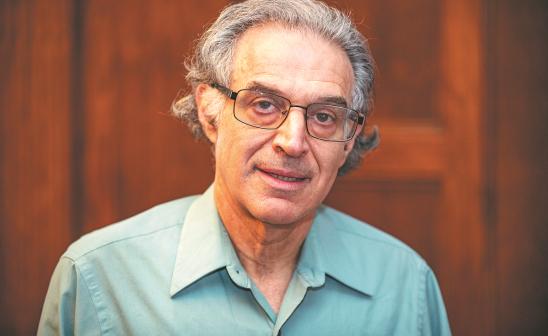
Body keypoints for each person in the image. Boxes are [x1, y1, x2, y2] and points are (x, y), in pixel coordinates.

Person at [38, 0, 451, 335]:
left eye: (324, 116)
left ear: (347, 142)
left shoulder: (405, 286)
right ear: (210, 111)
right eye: (265, 105)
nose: (293, 142)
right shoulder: (99, 280)